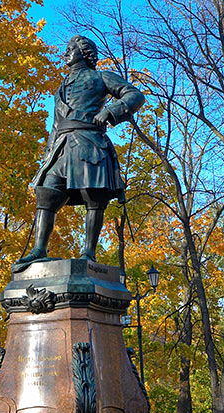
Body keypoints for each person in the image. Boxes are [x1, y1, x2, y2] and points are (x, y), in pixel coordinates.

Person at [13, 34, 144, 271]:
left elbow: (134, 94)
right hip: (61, 145)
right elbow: (55, 124)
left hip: (89, 142)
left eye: (70, 48)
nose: (66, 53)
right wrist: (48, 153)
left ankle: (88, 253)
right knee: (46, 192)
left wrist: (111, 112)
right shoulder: (61, 87)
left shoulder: (100, 76)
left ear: (83, 52)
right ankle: (39, 250)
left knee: (93, 196)